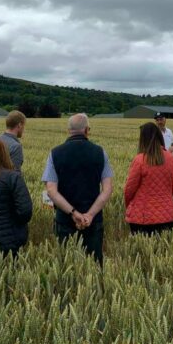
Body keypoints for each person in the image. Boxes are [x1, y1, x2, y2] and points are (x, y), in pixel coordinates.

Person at [42, 113, 113, 265]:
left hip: (65, 220)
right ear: (87, 130)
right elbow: (107, 189)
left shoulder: (55, 153)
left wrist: (73, 213)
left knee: (66, 265)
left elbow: (51, 191)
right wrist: (90, 215)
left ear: (69, 130)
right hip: (93, 221)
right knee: (94, 266)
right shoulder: (100, 152)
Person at [124, 122, 173, 235]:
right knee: (164, 251)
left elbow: (129, 190)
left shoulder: (140, 160)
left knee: (142, 251)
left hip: (142, 216)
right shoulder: (171, 158)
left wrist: (130, 207)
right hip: (167, 214)